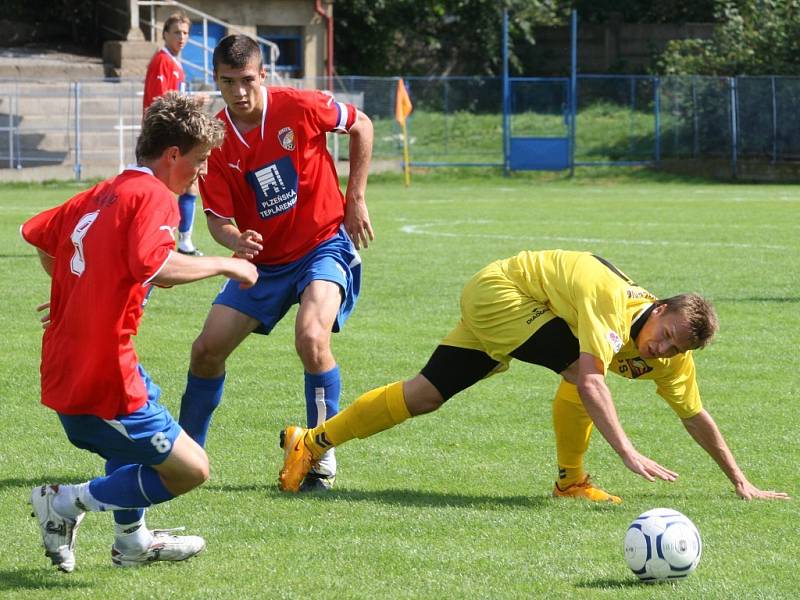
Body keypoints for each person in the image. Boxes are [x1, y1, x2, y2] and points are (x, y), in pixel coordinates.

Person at [279, 249, 790, 503]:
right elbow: (590, 380)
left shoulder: (671, 356)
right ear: (658, 307)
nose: (663, 348)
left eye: (676, 347)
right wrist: (628, 453)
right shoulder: (610, 301)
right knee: (580, 371)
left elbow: (695, 415)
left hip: (521, 305)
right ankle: (571, 482)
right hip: (501, 292)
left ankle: (312, 442)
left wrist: (741, 481)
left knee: (426, 394)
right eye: (666, 332)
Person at [22, 92, 258, 573]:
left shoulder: (104, 190)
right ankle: (64, 503)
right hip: (101, 373)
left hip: (86, 359)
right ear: (173, 155)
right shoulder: (154, 196)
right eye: (199, 160)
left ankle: (132, 542)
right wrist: (227, 265)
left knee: (125, 449)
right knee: (191, 470)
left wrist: (76, 294)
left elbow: (42, 236)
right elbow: (157, 267)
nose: (203, 172)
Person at [177, 34, 374, 492]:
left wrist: (355, 198)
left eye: (247, 80)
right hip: (262, 264)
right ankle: (186, 456)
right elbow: (217, 219)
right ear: (216, 80)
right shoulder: (216, 138)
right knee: (206, 350)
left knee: (311, 336)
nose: (239, 91)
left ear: (262, 74)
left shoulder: (299, 107)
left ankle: (320, 454)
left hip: (322, 245)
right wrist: (235, 239)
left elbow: (361, 124)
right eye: (228, 82)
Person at [143, 11, 203, 256]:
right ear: (165, 34)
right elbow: (160, 100)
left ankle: (184, 242)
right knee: (162, 187)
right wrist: (190, 100)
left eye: (186, 33)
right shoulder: (162, 61)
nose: (182, 37)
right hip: (163, 135)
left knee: (189, 185)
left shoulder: (175, 63)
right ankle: (155, 239)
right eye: (177, 32)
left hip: (175, 133)